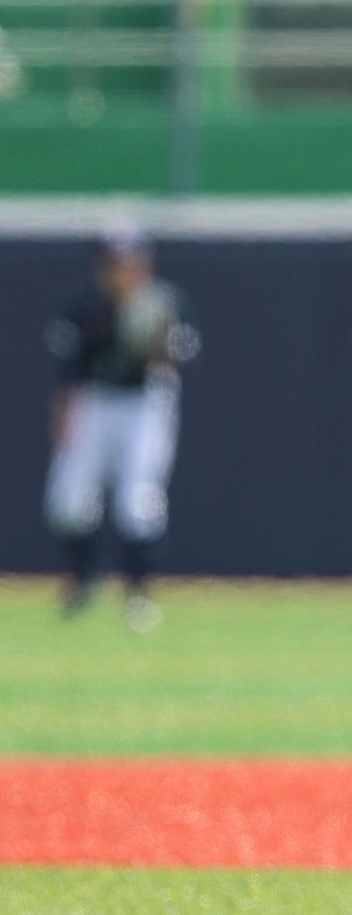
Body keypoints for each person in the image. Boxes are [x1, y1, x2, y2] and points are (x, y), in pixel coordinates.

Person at [45, 226, 199, 631]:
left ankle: (139, 595)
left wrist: (158, 345)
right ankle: (85, 580)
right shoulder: (83, 305)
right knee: (66, 503)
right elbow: (69, 374)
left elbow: (177, 359)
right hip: (94, 401)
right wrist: (63, 417)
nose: (121, 271)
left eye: (129, 262)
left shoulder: (163, 303)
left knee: (137, 502)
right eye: (113, 263)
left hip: (145, 402)